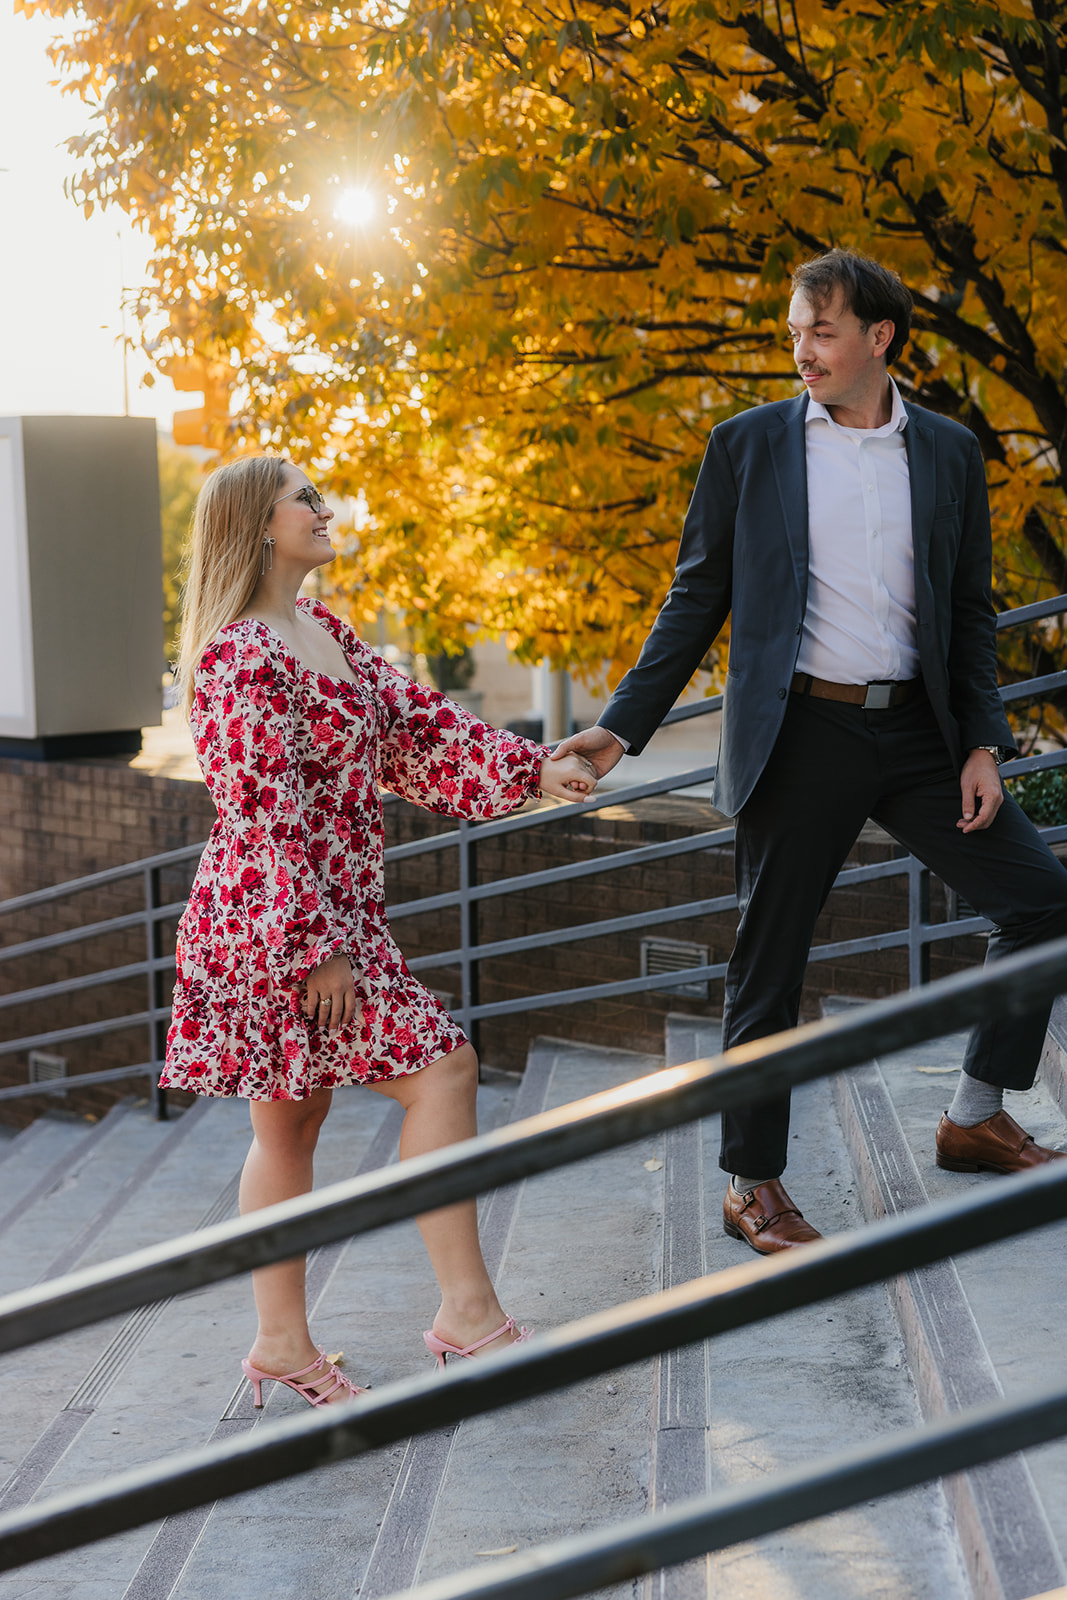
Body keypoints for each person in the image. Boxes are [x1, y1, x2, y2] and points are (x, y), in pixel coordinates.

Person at [553, 248, 1067, 1255]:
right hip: (801, 733)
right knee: (768, 962)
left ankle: (971, 1114)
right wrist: (622, 726)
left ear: (878, 339)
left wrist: (978, 741)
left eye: (820, 331)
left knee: (1042, 901)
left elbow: (965, 612)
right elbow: (696, 596)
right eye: (792, 331)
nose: (800, 351)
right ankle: (751, 1182)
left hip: (919, 736)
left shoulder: (950, 453)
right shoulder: (745, 446)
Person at [161, 455, 597, 1403]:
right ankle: (467, 1316)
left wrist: (532, 773)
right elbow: (259, 810)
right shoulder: (240, 654)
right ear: (256, 527)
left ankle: (282, 1344)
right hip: (279, 926)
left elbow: (418, 730)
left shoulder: (318, 630)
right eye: (303, 501)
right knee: (439, 1069)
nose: (322, 511)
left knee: (290, 1124)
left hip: (327, 918)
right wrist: (314, 949)